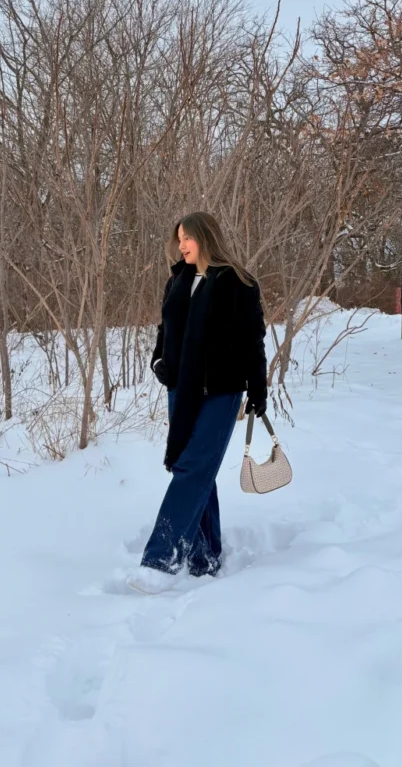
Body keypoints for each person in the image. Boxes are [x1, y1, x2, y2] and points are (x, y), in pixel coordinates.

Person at [128, 212, 268, 595]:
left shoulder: (237, 282)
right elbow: (166, 327)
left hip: (221, 392)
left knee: (191, 467)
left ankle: (160, 560)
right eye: (179, 239)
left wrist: (257, 390)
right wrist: (159, 360)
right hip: (181, 389)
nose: (182, 245)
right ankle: (204, 559)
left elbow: (252, 340)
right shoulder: (178, 279)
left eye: (188, 237)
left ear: (206, 237)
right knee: (194, 468)